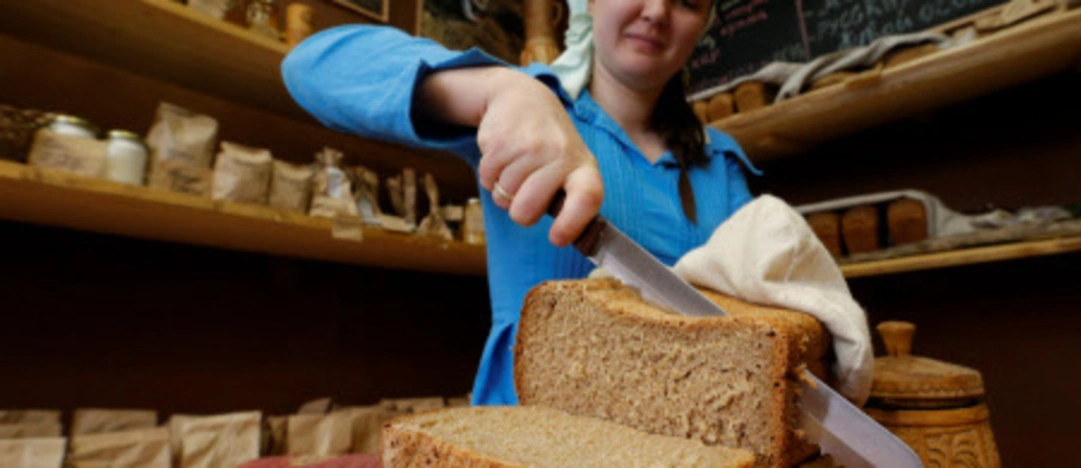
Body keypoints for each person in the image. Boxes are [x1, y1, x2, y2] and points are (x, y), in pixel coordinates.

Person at [282, 0, 759, 405]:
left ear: (704, 27)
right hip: (529, 421)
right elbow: (309, 66)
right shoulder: (529, 110)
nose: (657, 11)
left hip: (690, 423)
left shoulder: (723, 164)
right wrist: (497, 89)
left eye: (688, 1)